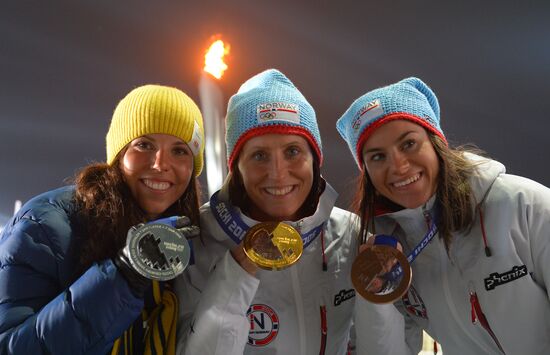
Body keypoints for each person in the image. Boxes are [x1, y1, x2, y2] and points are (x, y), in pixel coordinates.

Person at [336, 77, 550, 354]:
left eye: (409, 144)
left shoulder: (524, 204)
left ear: (436, 143)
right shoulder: (387, 247)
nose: (398, 166)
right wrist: (377, 296)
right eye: (378, 157)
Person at [0, 84, 205, 355]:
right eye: (144, 144)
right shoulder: (45, 225)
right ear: (119, 156)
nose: (160, 163)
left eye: (179, 150)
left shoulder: (192, 238)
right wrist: (123, 274)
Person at [175, 69, 360, 354]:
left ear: (315, 159)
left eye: (293, 152)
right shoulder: (198, 241)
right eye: (259, 155)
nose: (277, 173)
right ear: (236, 168)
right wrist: (236, 273)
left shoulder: (351, 233)